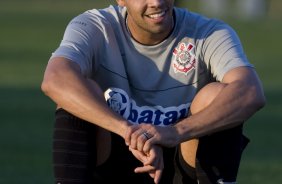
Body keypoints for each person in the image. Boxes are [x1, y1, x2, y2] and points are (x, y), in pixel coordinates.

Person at [41, 0, 265, 184]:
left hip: (181, 163)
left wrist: (175, 132)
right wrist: (128, 131)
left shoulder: (210, 33)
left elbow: (250, 92)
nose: (156, 2)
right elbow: (55, 79)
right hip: (114, 160)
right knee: (80, 90)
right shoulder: (95, 26)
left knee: (217, 96)